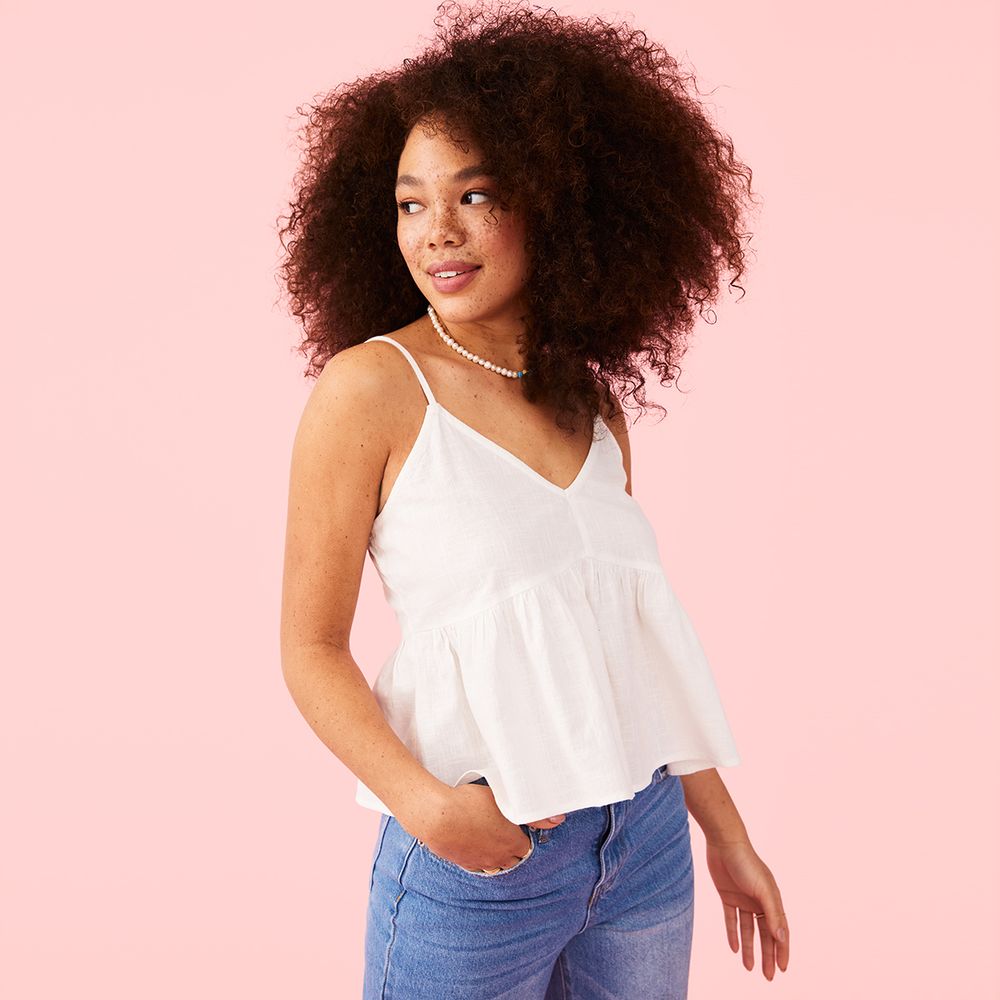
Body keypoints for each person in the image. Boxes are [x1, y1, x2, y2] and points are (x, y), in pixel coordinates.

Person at [277, 2, 789, 996]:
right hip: (480, 860)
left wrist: (724, 832)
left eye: (475, 194)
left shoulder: (590, 402)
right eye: (410, 203)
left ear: (558, 201)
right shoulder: (371, 389)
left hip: (644, 844)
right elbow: (309, 647)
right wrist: (428, 809)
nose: (438, 232)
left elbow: (627, 647)